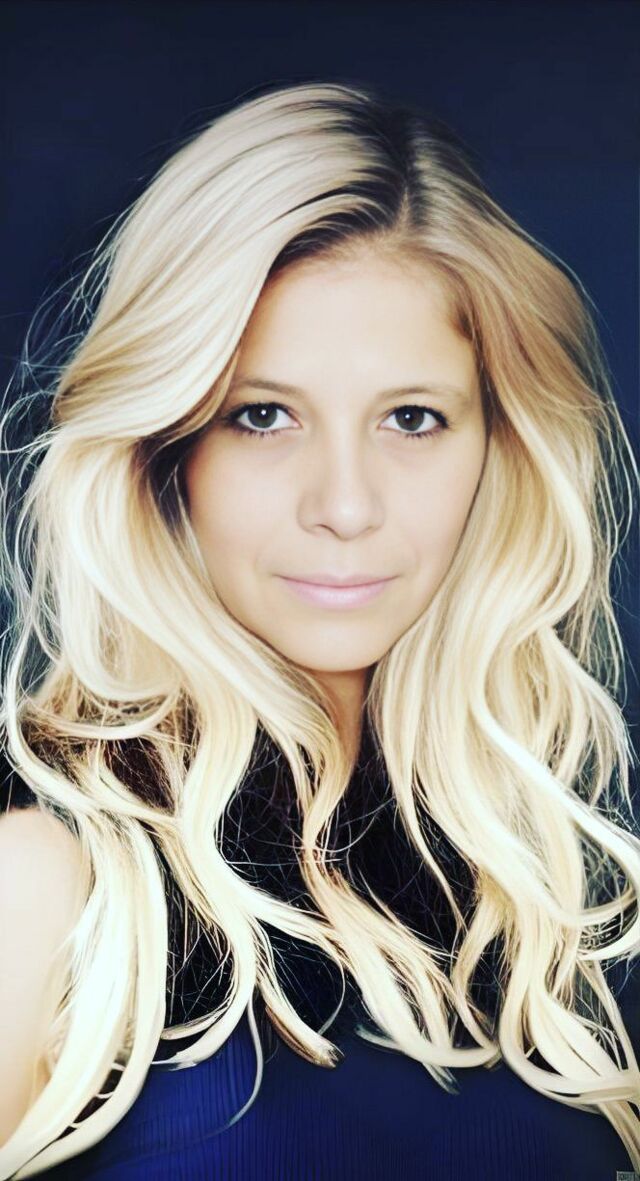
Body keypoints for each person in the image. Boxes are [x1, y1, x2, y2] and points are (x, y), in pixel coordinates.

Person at [0, 78, 638, 1180]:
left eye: (411, 418)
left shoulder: (548, 905)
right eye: (263, 416)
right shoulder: (45, 875)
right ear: (166, 452)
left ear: (494, 451)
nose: (344, 504)